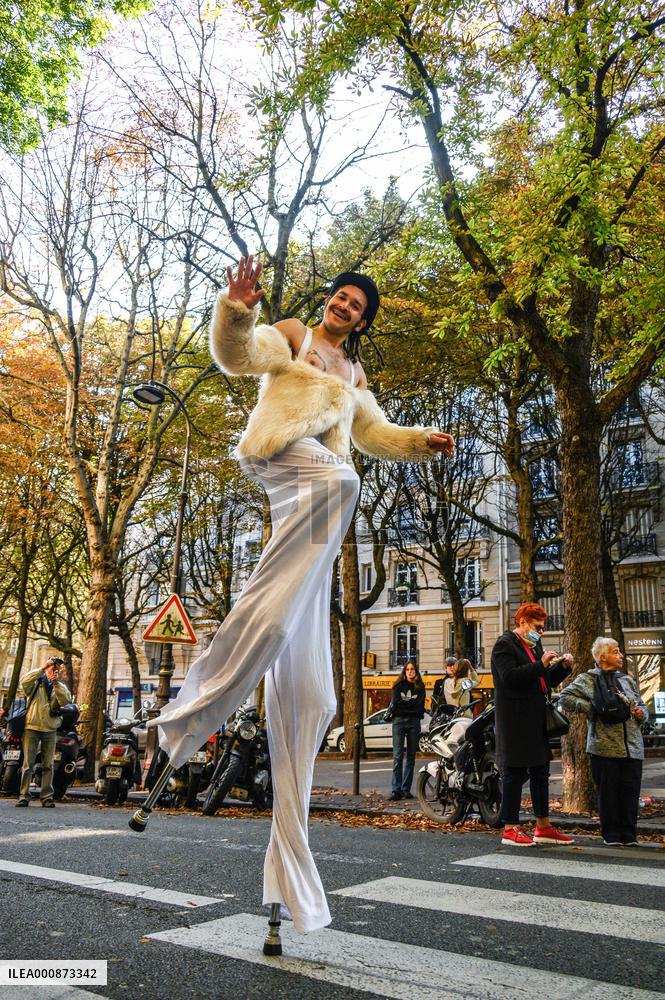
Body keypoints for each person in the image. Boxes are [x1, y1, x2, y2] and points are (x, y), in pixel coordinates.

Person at [151, 257, 454, 933]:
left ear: (363, 321)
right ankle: (196, 704)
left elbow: (373, 434)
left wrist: (422, 441)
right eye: (340, 297)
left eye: (356, 305)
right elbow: (237, 358)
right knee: (343, 481)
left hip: (316, 497)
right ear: (327, 303)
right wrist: (234, 308)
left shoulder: (352, 374)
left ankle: (287, 873)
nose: (344, 306)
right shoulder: (291, 334)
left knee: (312, 689)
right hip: (283, 460)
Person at [491, 603, 574, 847]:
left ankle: (543, 826)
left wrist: (562, 668)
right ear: (523, 622)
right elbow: (510, 677)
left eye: (542, 627)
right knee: (514, 772)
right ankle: (510, 827)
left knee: (540, 770)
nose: (541, 631)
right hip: (515, 719)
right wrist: (541, 664)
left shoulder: (533, 646)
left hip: (535, 718)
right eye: (537, 627)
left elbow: (543, 680)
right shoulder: (504, 645)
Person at [558, 637, 647, 846]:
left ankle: (629, 834)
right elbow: (564, 697)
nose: (621, 655)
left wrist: (641, 713)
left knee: (630, 793)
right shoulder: (588, 679)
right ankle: (612, 835)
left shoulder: (626, 680)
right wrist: (591, 709)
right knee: (608, 794)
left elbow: (641, 705)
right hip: (603, 747)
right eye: (616, 652)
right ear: (603, 656)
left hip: (632, 747)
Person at [16, 657, 71, 808]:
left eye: (57, 668)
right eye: (52, 667)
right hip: (31, 727)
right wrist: (42, 668)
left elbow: (65, 700)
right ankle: (23, 796)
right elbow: (24, 681)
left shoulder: (59, 686)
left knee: (48, 764)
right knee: (28, 764)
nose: (54, 670)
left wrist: (56, 683)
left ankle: (46, 797)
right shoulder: (36, 682)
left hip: (50, 728)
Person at [388, 660, 426, 800]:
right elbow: (397, 704)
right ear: (404, 671)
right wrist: (411, 706)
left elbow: (419, 707)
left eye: (412, 669)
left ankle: (405, 789)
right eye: (407, 669)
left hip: (414, 723)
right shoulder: (398, 686)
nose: (410, 671)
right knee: (397, 756)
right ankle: (395, 790)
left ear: (416, 671)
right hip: (398, 722)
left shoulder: (420, 687)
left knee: (411, 757)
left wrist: (407, 706)